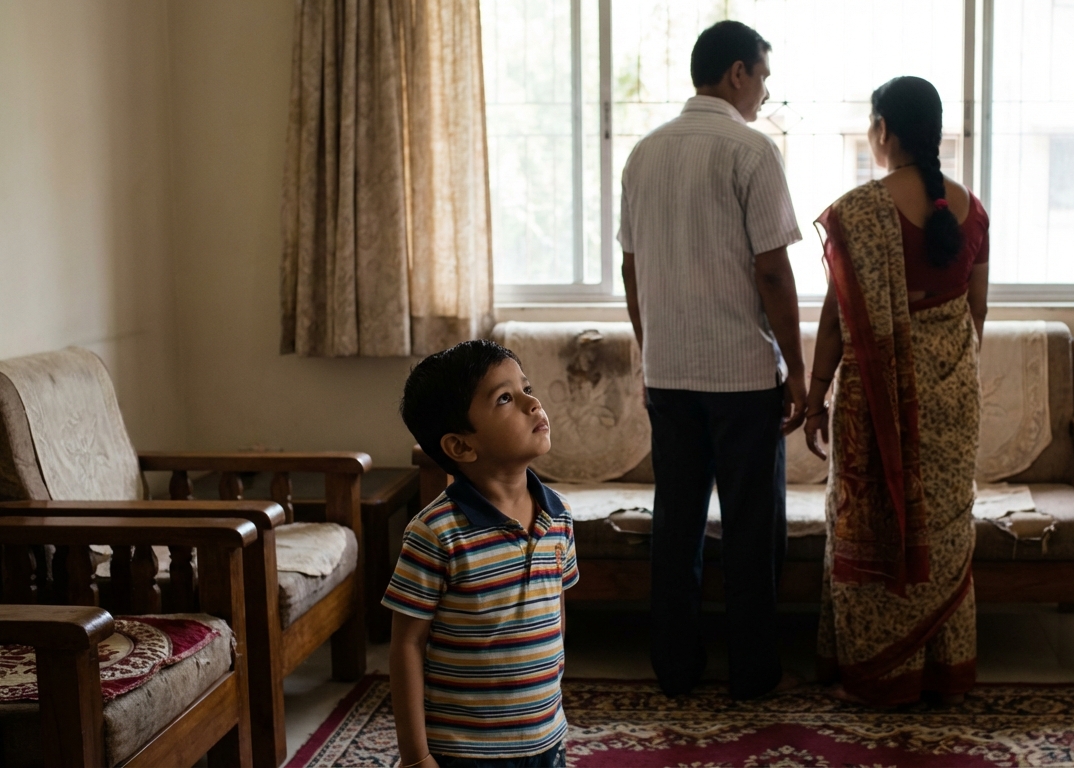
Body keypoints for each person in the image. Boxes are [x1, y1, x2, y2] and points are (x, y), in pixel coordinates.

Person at [618, 19, 807, 700]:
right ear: (736, 73)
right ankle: (752, 673)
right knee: (753, 533)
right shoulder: (750, 151)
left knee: (677, 525)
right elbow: (774, 274)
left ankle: (675, 669)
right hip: (742, 379)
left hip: (668, 376)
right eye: (762, 78)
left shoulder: (643, 154)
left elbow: (630, 269)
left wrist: (651, 349)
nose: (763, 94)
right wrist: (799, 370)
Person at [803, 76, 990, 707]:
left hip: (870, 401)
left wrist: (815, 393)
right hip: (954, 397)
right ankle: (940, 667)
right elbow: (976, 317)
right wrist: (943, 380)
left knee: (869, 524)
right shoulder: (972, 209)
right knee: (945, 527)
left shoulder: (858, 213)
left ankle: (879, 671)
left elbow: (836, 317)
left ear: (883, 131)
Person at [385, 340, 578, 768]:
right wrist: (416, 757)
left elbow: (555, 610)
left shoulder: (558, 515)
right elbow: (407, 645)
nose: (533, 403)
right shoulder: (435, 534)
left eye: (526, 387)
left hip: (545, 739)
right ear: (460, 447)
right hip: (465, 751)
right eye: (506, 398)